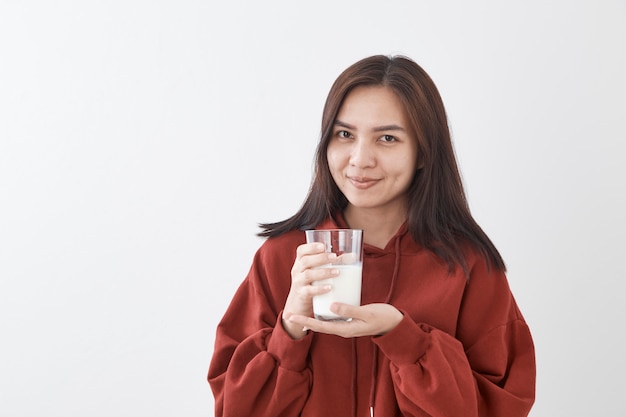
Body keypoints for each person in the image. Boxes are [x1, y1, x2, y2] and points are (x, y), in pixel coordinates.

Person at [207, 54, 536, 417]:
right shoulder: (283, 257)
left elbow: (500, 407)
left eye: (387, 138)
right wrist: (290, 328)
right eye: (345, 134)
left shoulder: (469, 266)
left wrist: (404, 337)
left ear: (424, 151)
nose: (360, 159)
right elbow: (234, 409)